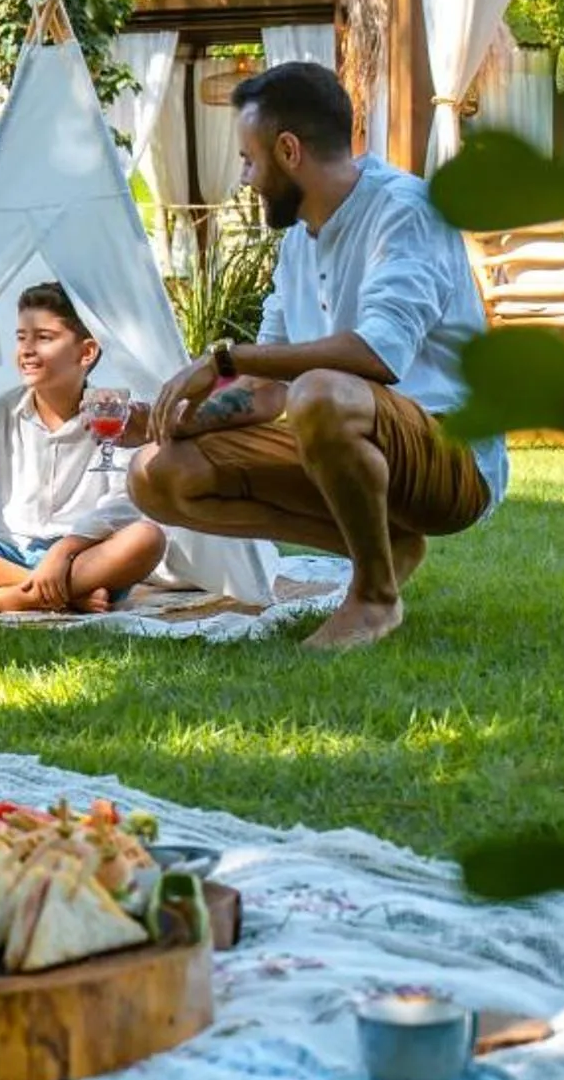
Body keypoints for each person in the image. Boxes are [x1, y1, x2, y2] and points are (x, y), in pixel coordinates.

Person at [129, 62, 502, 653]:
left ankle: (375, 597)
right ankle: (387, 547)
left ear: (288, 149)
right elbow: (268, 386)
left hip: (450, 457)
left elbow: (379, 352)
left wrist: (223, 359)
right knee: (159, 472)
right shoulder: (297, 245)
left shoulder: (406, 210)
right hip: (351, 429)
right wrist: (177, 419)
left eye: (249, 160)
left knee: (321, 390)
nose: (245, 179)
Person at [0, 280, 168, 613]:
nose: (27, 349)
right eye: (21, 337)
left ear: (86, 352)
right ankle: (49, 595)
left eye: (43, 338)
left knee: (147, 539)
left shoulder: (112, 414)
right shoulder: (0, 412)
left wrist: (64, 550)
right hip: (9, 550)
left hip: (81, 555)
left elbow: (121, 503)